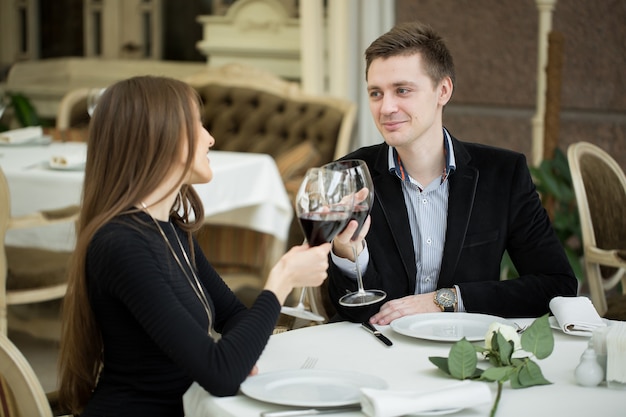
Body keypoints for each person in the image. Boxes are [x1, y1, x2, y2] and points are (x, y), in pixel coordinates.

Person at [57, 76, 332, 416]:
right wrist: (282, 281)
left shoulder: (171, 230)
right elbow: (220, 375)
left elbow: (232, 317)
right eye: (197, 125)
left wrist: (238, 354)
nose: (210, 138)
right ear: (159, 136)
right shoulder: (120, 244)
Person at [327, 21, 577, 324]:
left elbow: (557, 285)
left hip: (468, 351)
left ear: (442, 91)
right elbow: (348, 311)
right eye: (376, 93)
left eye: (402, 90)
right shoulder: (350, 176)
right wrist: (347, 253)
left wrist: (448, 300)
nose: (386, 107)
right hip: (382, 349)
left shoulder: (503, 174)